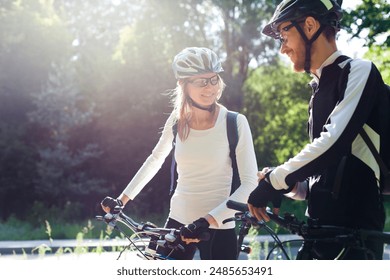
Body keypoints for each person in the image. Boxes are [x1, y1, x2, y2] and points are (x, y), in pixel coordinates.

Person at [247, 0, 388, 260]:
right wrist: (284, 185)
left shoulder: (358, 71)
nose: (282, 48)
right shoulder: (317, 92)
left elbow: (334, 143)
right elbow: (315, 183)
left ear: (310, 25)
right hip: (317, 233)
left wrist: (276, 180)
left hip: (355, 238)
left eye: (284, 33)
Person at [101, 47, 258, 260]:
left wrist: (206, 221)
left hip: (219, 225)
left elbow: (250, 183)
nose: (210, 87)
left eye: (213, 79)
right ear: (183, 85)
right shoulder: (177, 121)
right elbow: (155, 159)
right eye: (201, 81)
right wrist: (122, 200)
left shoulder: (235, 122)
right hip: (178, 222)